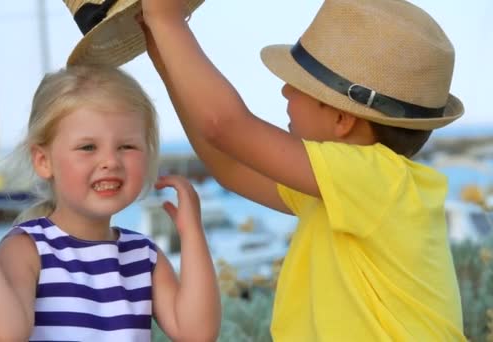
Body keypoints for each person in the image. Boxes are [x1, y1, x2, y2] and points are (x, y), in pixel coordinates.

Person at [138, 0, 467, 340]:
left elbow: (225, 126)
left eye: (302, 85)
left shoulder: (380, 179)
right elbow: (230, 164)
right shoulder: (338, 190)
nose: (285, 89)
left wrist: (168, 21)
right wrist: (165, 55)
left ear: (342, 119)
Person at [0, 64, 221, 341]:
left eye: (127, 146)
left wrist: (192, 233)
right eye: (88, 147)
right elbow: (6, 335)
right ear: (43, 161)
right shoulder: (28, 248)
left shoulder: (144, 256)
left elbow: (197, 334)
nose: (110, 161)